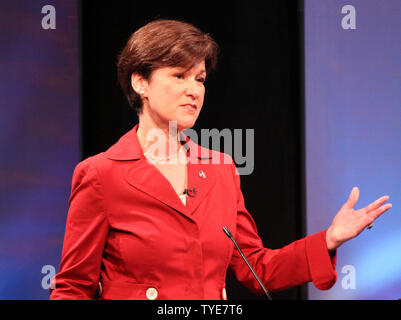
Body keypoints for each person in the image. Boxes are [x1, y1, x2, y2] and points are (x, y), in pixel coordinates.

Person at [49, 19, 391, 300]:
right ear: (141, 82)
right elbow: (72, 288)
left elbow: (258, 268)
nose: (194, 90)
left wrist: (329, 239)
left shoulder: (220, 169)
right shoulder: (101, 174)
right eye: (179, 76)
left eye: (199, 79)